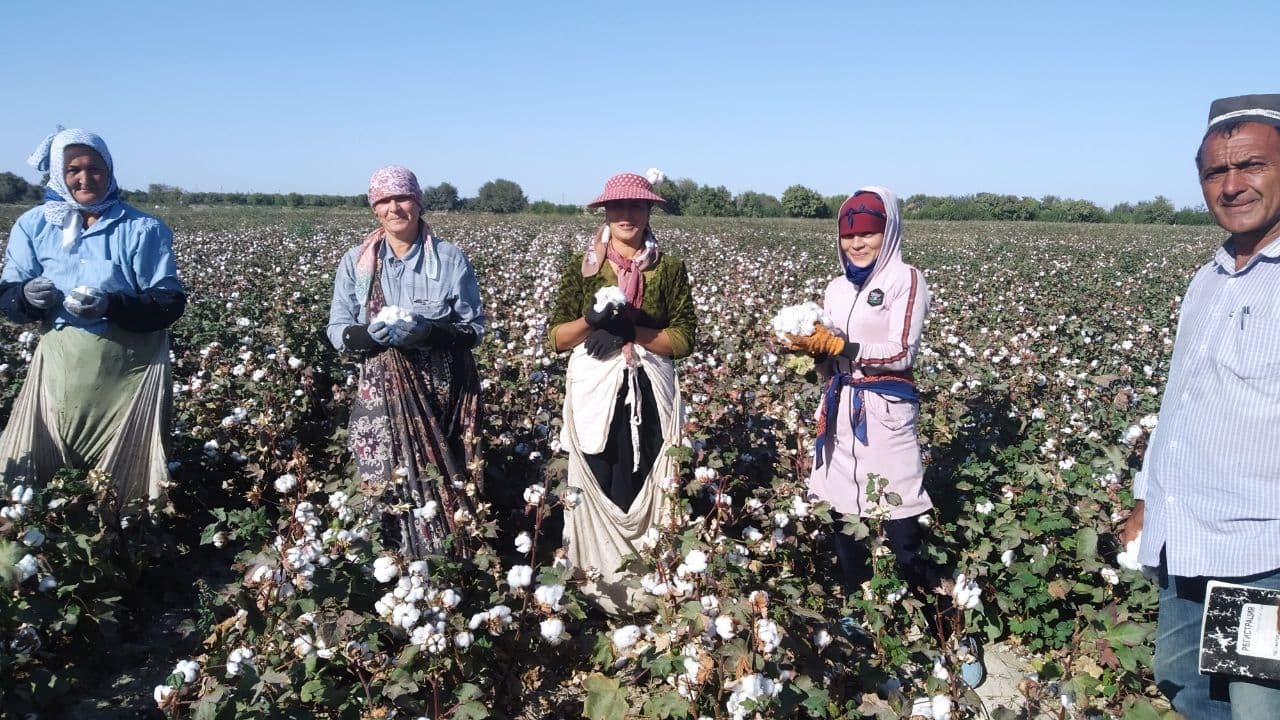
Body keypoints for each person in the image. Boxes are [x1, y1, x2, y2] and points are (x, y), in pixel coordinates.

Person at [1122, 94, 1280, 719]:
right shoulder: (1211, 276)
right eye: (1216, 172)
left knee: (1253, 704)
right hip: (1189, 541)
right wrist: (1145, 497)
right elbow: (1181, 402)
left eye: (1253, 166)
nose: (1233, 185)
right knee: (1189, 688)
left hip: (1259, 556)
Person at [782, 187, 981, 680]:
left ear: (887, 231)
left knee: (900, 528)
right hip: (841, 408)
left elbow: (901, 352)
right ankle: (859, 612)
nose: (857, 243)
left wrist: (841, 344)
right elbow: (830, 351)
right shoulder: (834, 287)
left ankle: (950, 622)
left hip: (887, 413)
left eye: (868, 232)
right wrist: (806, 347)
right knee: (845, 518)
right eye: (849, 234)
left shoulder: (906, 280)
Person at [0, 127, 185, 507]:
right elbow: (8, 299)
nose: (85, 178)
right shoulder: (34, 226)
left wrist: (112, 305)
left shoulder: (142, 229)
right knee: (38, 483)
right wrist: (27, 297)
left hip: (129, 377)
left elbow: (168, 303)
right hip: (60, 373)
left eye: (95, 168)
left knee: (126, 488)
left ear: (110, 170)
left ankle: (125, 551)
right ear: (57, 174)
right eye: (73, 169)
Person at [545, 172, 696, 614]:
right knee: (599, 470)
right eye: (618, 207)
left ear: (649, 212)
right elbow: (555, 338)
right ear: (606, 214)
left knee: (645, 473)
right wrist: (593, 321)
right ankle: (600, 591)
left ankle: (650, 592)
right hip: (596, 393)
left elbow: (684, 339)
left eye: (636, 206)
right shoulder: (583, 267)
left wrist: (630, 329)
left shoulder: (669, 268)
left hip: (648, 394)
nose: (626, 215)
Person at [327, 165, 484, 559]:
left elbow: (473, 329)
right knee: (384, 474)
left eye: (403, 198)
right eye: (384, 201)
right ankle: (394, 559)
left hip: (443, 390)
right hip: (381, 388)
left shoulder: (449, 259)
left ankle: (451, 561)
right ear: (374, 208)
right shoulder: (356, 262)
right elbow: (337, 328)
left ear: (418, 202)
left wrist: (429, 332)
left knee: (445, 473)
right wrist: (364, 336)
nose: (395, 208)